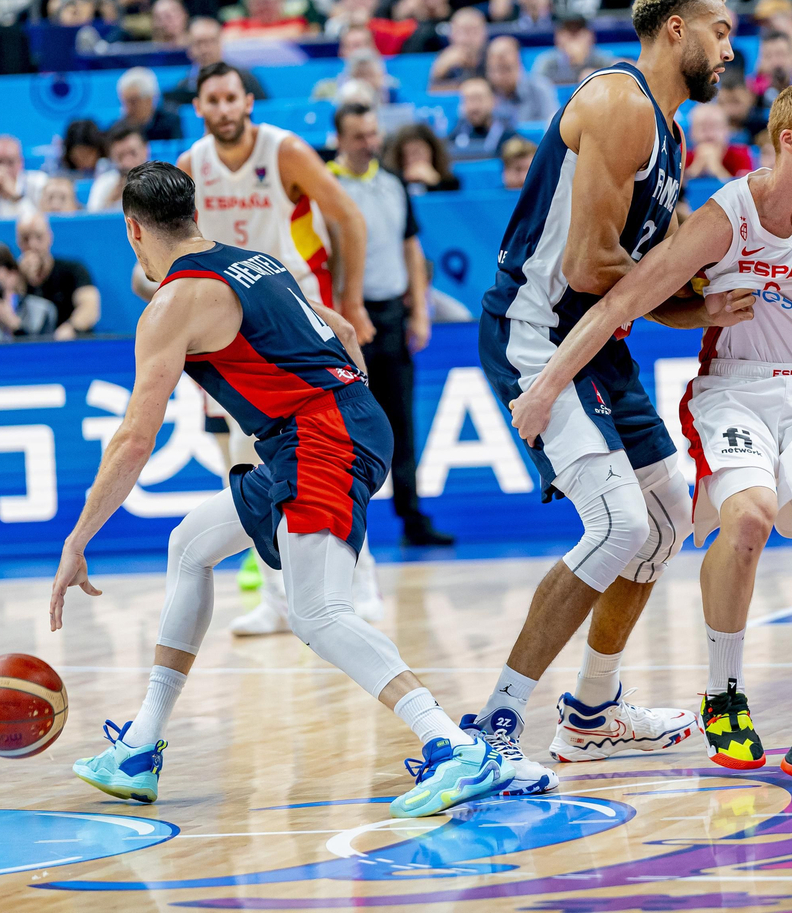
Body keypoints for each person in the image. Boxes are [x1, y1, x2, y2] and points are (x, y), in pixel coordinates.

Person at [507, 81, 792, 784]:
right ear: (788, 141)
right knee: (748, 520)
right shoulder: (725, 216)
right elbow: (630, 297)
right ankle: (724, 694)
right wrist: (551, 381)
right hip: (734, 387)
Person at [50, 162, 512, 816]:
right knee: (190, 545)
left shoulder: (172, 305)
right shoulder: (255, 260)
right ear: (194, 214)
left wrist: (77, 539)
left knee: (317, 613)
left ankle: (456, 749)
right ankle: (140, 747)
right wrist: (341, 414)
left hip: (318, 437)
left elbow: (132, 440)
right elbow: (346, 333)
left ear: (132, 230)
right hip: (333, 423)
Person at [471, 0, 736, 789]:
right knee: (619, 525)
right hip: (538, 333)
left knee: (664, 519)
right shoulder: (621, 105)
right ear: (676, 32)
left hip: (598, 342)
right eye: (719, 31)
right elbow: (591, 266)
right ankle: (496, 727)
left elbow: (640, 292)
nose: (731, 49)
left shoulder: (673, 136)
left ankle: (592, 715)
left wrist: (714, 303)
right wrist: (688, 282)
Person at [172, 62, 381, 636]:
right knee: (244, 463)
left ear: (247, 102)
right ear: (199, 108)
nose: (222, 108)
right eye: (211, 99)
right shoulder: (191, 166)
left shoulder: (283, 151)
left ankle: (362, 585)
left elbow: (348, 218)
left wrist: (353, 303)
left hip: (299, 318)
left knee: (331, 456)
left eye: (231, 98)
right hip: (233, 334)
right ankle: (277, 599)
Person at [328, 104, 453, 546]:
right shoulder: (326, 186)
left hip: (391, 314)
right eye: (359, 136)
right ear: (340, 139)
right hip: (344, 319)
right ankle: (340, 517)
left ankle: (412, 517)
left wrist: (420, 309)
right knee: (344, 427)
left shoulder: (393, 183)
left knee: (401, 422)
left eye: (372, 133)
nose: (369, 143)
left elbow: (411, 249)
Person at [16, 211, 100, 340]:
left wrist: (70, 329)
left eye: (39, 237)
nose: (32, 245)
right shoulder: (14, 276)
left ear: (49, 237)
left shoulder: (73, 270)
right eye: (25, 239)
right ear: (18, 242)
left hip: (71, 345)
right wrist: (20, 279)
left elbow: (90, 308)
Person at [485, 35, 559, 123]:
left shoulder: (539, 88)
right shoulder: (485, 93)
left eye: (507, 69)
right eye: (497, 70)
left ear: (518, 62)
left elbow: (551, 125)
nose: (501, 76)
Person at [447, 77, 518, 158]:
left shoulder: (509, 137)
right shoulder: (454, 137)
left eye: (479, 99)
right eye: (468, 100)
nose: (474, 106)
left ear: (493, 101)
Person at [382, 122, 461, 194]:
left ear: (433, 152)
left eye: (418, 152)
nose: (413, 159)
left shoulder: (451, 182)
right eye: (406, 154)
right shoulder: (390, 182)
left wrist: (434, 182)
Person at [684, 102, 754, 179]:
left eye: (714, 127)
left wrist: (717, 169)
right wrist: (695, 169)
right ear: (691, 132)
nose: (709, 134)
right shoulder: (682, 157)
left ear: (726, 131)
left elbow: (745, 189)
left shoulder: (741, 155)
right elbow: (676, 189)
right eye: (703, 128)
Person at [88, 124, 150, 211]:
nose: (127, 162)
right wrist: (110, 201)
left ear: (146, 149)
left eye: (133, 153)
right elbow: (92, 220)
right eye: (120, 156)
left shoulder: (162, 180)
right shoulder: (103, 183)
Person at [428, 5, 488, 90]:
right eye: (463, 31)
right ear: (451, 35)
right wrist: (438, 72)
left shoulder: (493, 57)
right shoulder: (444, 59)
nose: (468, 38)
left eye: (474, 31)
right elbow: (432, 96)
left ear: (484, 33)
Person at [116, 67, 182, 142]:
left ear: (149, 100)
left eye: (133, 101)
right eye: (124, 102)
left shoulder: (170, 123)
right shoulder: (118, 128)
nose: (128, 108)